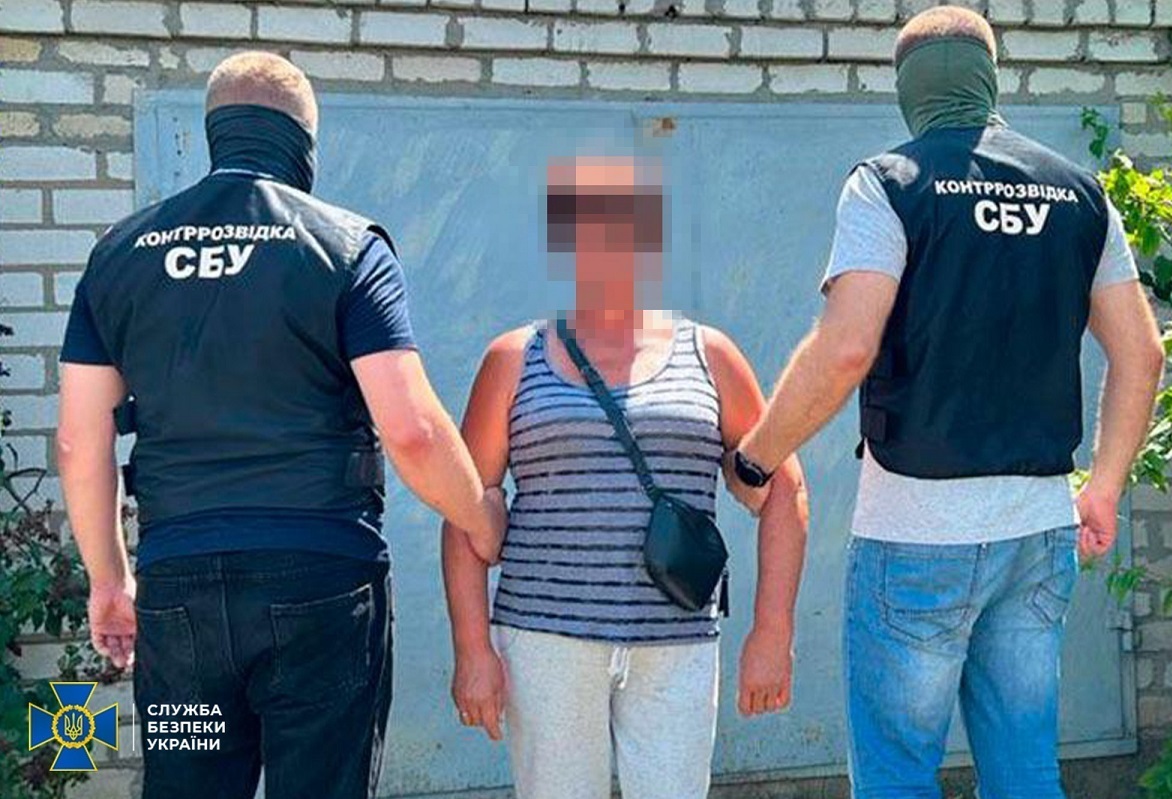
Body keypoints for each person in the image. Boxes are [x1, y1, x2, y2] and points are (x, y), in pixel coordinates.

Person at [731, 8, 1164, 799]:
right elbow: (1142, 351)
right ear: (988, 80)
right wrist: (1102, 487)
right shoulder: (1079, 193)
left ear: (909, 89)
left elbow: (846, 348)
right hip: (1037, 530)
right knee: (1026, 771)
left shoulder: (889, 183)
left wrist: (756, 457)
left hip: (916, 532)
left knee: (898, 776)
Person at [56, 52, 506, 799]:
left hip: (180, 603)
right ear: (303, 143)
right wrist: (480, 515)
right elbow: (413, 432)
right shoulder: (348, 246)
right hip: (320, 590)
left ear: (217, 134)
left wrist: (110, 578)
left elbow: (79, 442)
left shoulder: (118, 255)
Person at [441, 156, 808, 799]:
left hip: (677, 643)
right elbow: (466, 507)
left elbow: (783, 488)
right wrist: (473, 649)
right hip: (545, 638)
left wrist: (772, 630)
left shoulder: (710, 355)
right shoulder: (515, 358)